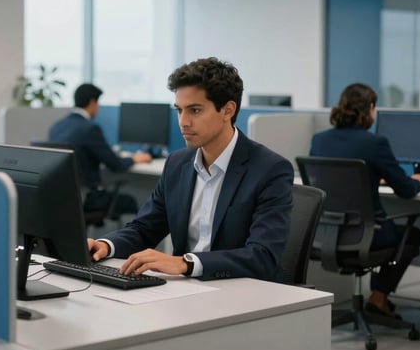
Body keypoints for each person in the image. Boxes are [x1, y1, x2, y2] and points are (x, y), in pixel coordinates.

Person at [88, 58, 294, 281]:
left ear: (227, 110)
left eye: (195, 110)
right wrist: (105, 245)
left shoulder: (269, 169)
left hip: (241, 288)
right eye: (179, 110)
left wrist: (186, 263)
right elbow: (144, 228)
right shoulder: (177, 164)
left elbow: (262, 256)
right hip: (186, 287)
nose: (183, 122)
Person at [310, 82, 420, 319]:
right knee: (413, 234)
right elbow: (405, 189)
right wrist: (419, 182)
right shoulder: (375, 143)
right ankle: (378, 297)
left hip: (327, 235)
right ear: (370, 108)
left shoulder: (319, 140)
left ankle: (376, 299)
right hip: (367, 236)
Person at [49, 83, 152, 218]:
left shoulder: (56, 127)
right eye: (98, 103)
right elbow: (115, 165)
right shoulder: (90, 128)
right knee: (131, 201)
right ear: (92, 102)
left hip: (64, 198)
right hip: (88, 198)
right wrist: (134, 158)